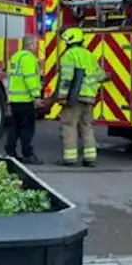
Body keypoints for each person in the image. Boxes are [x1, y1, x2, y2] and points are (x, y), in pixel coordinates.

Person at [56, 27, 103, 167]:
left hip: (74, 97)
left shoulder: (69, 55)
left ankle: (70, 158)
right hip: (89, 97)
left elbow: (67, 78)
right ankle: (90, 158)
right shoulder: (89, 55)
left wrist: (63, 96)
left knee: (68, 126)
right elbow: (99, 75)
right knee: (86, 126)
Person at [4, 34, 44, 164]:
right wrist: (36, 97)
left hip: (15, 100)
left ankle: (10, 152)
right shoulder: (29, 58)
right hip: (25, 100)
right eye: (35, 44)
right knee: (27, 129)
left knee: (14, 128)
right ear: (31, 44)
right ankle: (28, 154)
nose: (36, 46)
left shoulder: (16, 57)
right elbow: (30, 78)